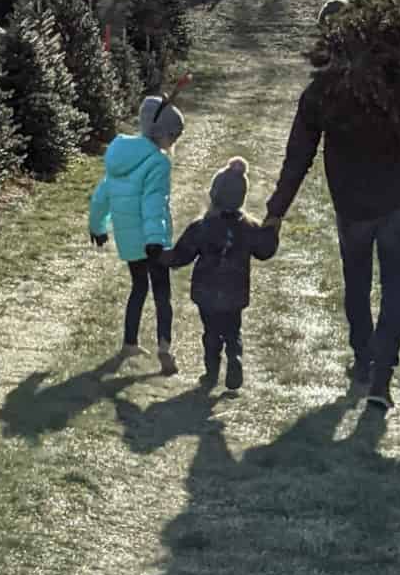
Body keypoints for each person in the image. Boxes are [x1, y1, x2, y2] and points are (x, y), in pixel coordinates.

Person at [265, 0, 400, 415]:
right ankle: (382, 380)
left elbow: (298, 156)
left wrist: (276, 212)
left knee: (357, 281)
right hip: (398, 198)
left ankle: (363, 357)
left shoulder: (321, 91)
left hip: (353, 205)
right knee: (396, 284)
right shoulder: (397, 80)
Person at [88, 91, 186, 375]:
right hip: (152, 240)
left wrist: (97, 226)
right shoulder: (158, 162)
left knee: (138, 288)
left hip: (129, 241)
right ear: (162, 134)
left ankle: (130, 343)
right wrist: (156, 240)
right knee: (162, 293)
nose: (175, 143)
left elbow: (101, 196)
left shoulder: (119, 158)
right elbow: (153, 203)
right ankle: (164, 347)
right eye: (174, 136)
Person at [166, 157, 279, 392]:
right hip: (235, 290)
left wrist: (159, 255)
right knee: (232, 329)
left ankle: (211, 373)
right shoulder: (249, 227)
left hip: (206, 291)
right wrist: (272, 230)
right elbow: (265, 251)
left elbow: (181, 255)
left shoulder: (202, 226)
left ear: (213, 194)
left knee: (211, 332)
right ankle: (235, 357)